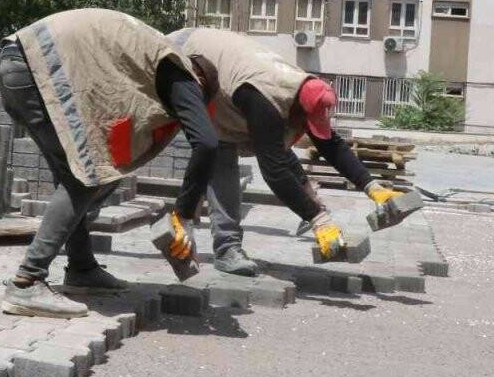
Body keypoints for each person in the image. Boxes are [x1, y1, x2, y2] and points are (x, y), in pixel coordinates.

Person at [0, 9, 220, 319]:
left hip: (18, 60)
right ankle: (27, 282)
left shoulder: (152, 58)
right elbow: (207, 143)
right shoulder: (182, 75)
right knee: (87, 178)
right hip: (35, 67)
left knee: (83, 175)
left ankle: (82, 268)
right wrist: (184, 216)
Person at [168, 27, 409, 276]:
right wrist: (318, 219)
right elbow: (273, 172)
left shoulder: (303, 90)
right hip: (185, 57)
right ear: (296, 109)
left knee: (270, 143)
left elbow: (330, 144)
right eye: (305, 123)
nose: (306, 130)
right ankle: (227, 249)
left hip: (225, 76)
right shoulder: (266, 99)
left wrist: (372, 187)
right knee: (221, 150)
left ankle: (229, 246)